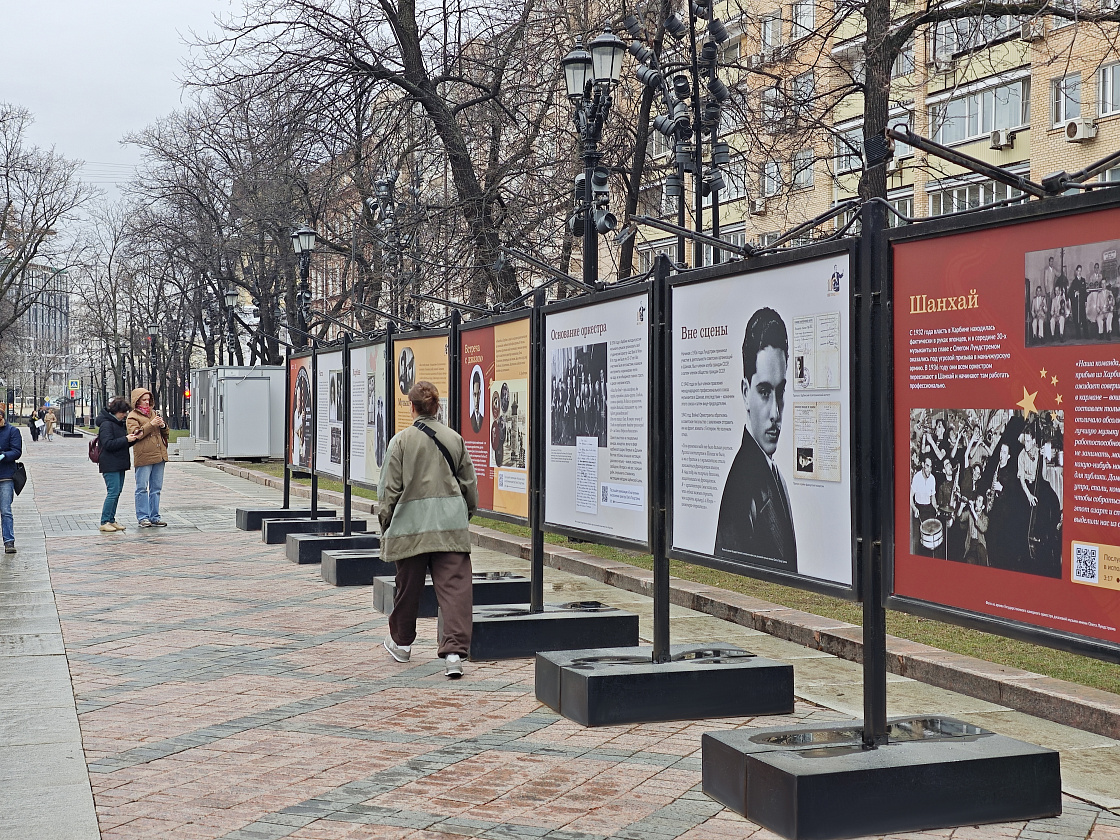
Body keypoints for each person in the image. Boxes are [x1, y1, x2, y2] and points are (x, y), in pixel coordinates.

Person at [379, 381, 478, 679]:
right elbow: (469, 488)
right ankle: (453, 655)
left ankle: (401, 643)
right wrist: (462, 516)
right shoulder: (455, 439)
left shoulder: (401, 442)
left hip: (410, 528)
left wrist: (387, 524)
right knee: (455, 590)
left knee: (408, 588)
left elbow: (389, 492)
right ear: (437, 406)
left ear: (411, 407)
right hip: (450, 527)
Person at [714, 307, 796, 571]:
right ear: (746, 392)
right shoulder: (742, 490)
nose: (776, 412)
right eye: (764, 392)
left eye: (780, 391)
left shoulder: (773, 475)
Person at [126, 388, 169, 527]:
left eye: (148, 400)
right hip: (144, 456)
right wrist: (151, 424)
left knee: (156, 488)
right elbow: (136, 434)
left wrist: (163, 425)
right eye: (143, 400)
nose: (146, 402)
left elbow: (166, 433)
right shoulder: (133, 416)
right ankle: (143, 517)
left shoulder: (154, 414)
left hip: (159, 455)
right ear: (136, 401)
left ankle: (155, 516)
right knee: (142, 488)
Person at [95, 397, 138, 533]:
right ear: (116, 411)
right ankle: (104, 521)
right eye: (123, 412)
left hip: (119, 462)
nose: (124, 415)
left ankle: (111, 519)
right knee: (113, 492)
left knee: (117, 491)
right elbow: (108, 444)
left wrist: (133, 439)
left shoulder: (118, 423)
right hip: (110, 463)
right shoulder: (106, 424)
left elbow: (122, 442)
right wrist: (125, 439)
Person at [0, 410, 24, 553]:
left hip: (6, 476)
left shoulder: (12, 431)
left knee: (5, 510)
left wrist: (3, 455)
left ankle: (9, 541)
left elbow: (16, 451)